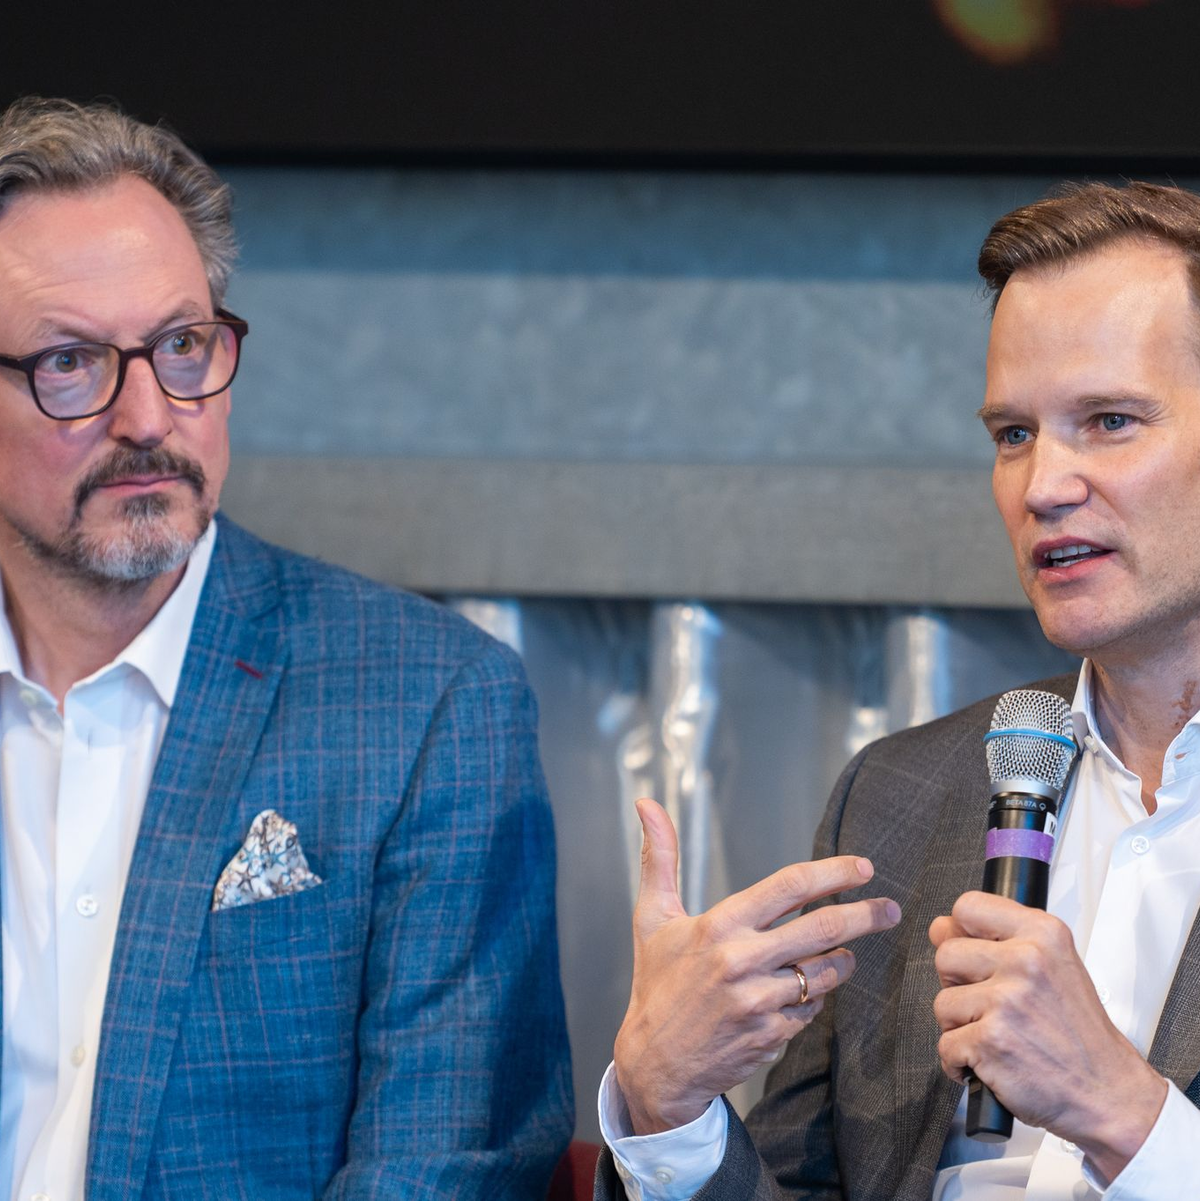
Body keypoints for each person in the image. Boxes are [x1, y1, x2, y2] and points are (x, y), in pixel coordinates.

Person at [0, 96, 572, 1201]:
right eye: (72, 363)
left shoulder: (428, 706)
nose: (150, 416)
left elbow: (440, 1172)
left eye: (182, 346)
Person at [597, 179, 1200, 1200]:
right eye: (1013, 434)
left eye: (1107, 420)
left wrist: (1127, 1117)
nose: (1044, 483)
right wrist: (668, 1109)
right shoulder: (904, 793)